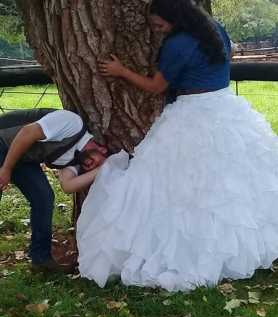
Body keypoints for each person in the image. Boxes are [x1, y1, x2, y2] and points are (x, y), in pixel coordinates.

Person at [77, 0, 278, 291]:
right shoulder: (213, 29)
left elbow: (156, 87)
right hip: (225, 106)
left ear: (174, 19)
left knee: (185, 182)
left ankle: (194, 249)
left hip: (194, 111)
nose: (157, 31)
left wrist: (120, 71)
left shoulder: (179, 43)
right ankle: (229, 245)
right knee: (229, 182)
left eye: (159, 25)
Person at [0, 108, 107, 273]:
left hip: (22, 158)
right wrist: (6, 168)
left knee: (43, 198)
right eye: (97, 163)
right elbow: (27, 132)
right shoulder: (72, 123)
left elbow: (67, 186)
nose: (91, 166)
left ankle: (41, 259)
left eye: (92, 169)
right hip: (4, 139)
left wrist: (102, 170)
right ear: (102, 149)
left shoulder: (77, 160)